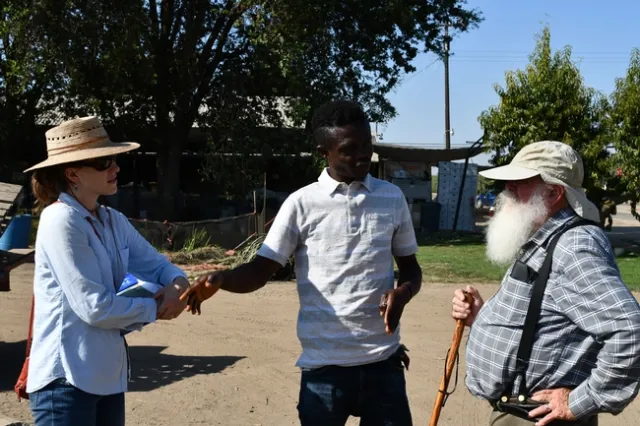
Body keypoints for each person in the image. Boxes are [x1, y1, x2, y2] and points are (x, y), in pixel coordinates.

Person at [182, 100, 423, 425]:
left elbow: (411, 269)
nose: (363, 155)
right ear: (324, 151)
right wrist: (222, 279)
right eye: (351, 149)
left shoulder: (391, 198)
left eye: (367, 144)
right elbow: (260, 270)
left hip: (383, 362)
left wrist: (403, 294)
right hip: (324, 370)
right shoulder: (301, 204)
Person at [451, 141, 640, 426]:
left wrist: (578, 402)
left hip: (538, 418)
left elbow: (630, 330)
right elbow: (546, 316)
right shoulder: (547, 237)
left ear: (553, 192)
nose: (508, 189)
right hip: (520, 412)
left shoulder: (574, 245)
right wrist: (482, 315)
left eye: (519, 182)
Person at [24, 116, 190, 426]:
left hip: (105, 378)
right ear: (73, 173)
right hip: (66, 381)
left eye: (113, 159)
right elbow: (94, 307)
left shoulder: (113, 220)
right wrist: (157, 305)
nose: (115, 168)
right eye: (103, 162)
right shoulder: (61, 220)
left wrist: (179, 285)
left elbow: (157, 265)